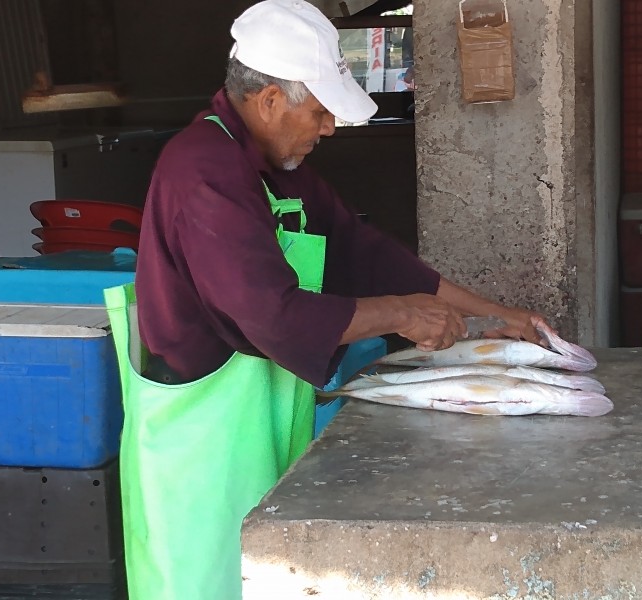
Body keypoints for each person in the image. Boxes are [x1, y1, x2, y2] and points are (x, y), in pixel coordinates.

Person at [103, 1, 554, 598]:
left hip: (258, 424)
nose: (329, 129)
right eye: (319, 112)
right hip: (200, 452)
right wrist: (400, 313)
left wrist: (490, 313)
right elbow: (274, 315)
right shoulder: (204, 172)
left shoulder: (274, 166)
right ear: (269, 101)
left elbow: (360, 249)